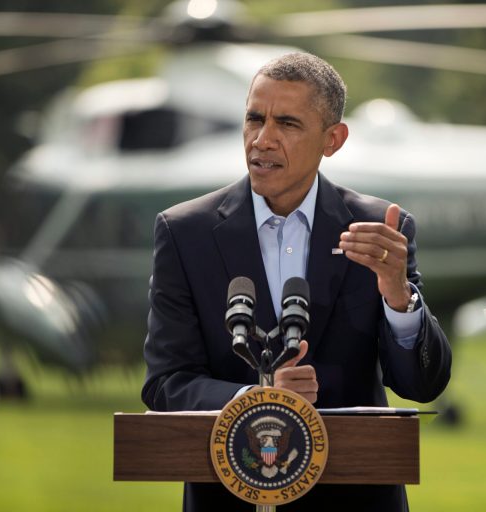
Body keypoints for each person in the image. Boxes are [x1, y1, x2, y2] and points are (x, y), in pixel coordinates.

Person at [142, 52, 452, 512]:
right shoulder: (183, 232)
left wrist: (398, 295)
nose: (262, 140)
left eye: (286, 124)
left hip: (357, 499)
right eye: (254, 119)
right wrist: (257, 399)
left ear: (334, 139)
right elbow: (166, 382)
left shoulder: (381, 230)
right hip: (228, 498)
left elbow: (421, 386)